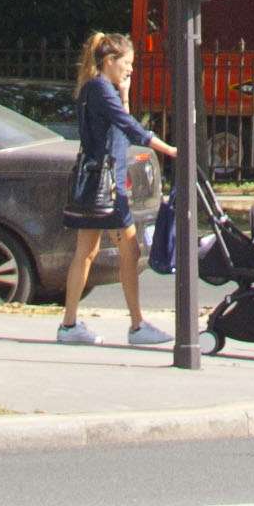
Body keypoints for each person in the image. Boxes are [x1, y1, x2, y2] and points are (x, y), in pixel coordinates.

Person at [54, 32, 166, 345]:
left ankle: (69, 324)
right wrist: (167, 148)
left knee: (87, 252)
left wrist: (125, 94)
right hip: (108, 188)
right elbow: (129, 127)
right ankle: (137, 326)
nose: (131, 69)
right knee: (128, 251)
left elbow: (119, 124)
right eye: (127, 63)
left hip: (98, 185)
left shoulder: (98, 89)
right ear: (110, 61)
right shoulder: (100, 89)